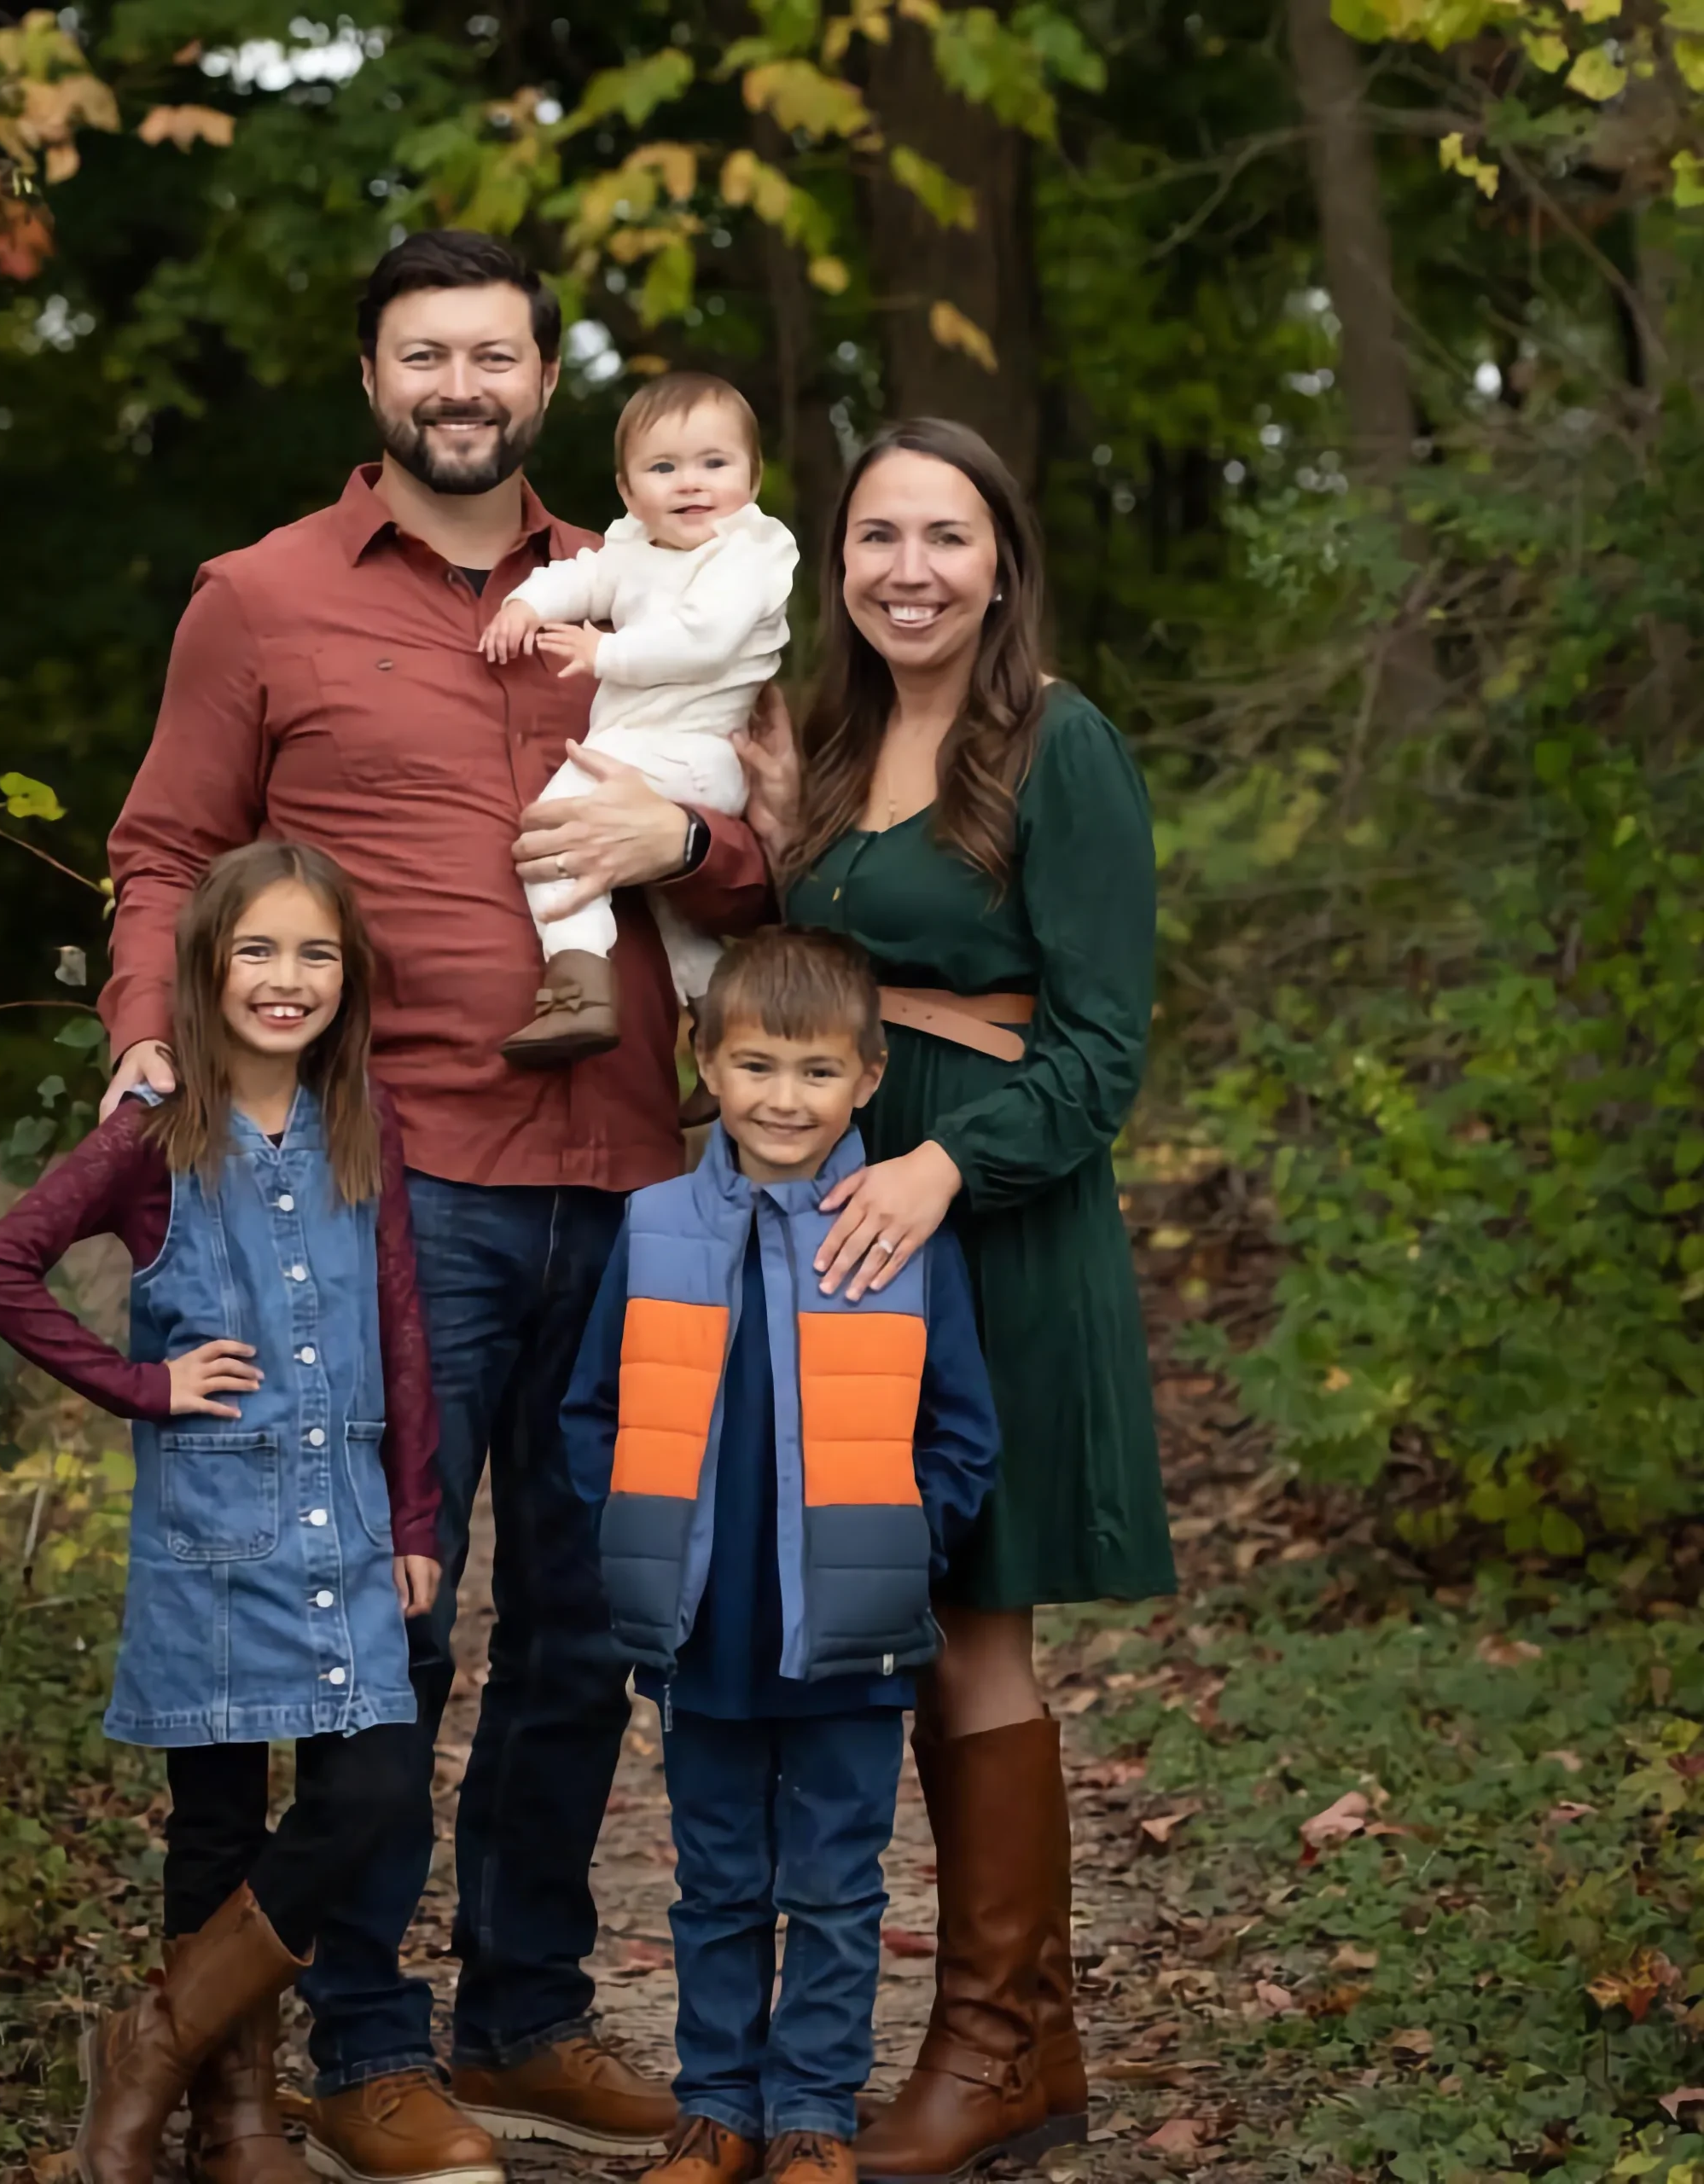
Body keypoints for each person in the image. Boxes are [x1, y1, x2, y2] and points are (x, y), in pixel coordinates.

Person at [97, 229, 772, 2184]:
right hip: (377, 1194)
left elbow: (769, 841)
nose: (458, 384)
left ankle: (525, 2007)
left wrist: (690, 832)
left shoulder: (665, 574)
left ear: (542, 376)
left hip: (641, 1175)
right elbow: (161, 847)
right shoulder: (261, 600)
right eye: (422, 354)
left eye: (492, 352)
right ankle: (361, 2036)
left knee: (585, 1618)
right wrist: (152, 1040)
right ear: (370, 379)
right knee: (383, 1624)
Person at [735, 420, 1177, 2176]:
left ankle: (988, 2039)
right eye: (872, 537)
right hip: (843, 1222)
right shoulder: (831, 744)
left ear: (999, 558)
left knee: (974, 1615)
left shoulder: (1058, 745)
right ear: (833, 563)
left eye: (943, 534)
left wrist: (937, 1168)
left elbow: (1098, 1049)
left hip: (988, 1209)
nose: (905, 566)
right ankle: (1032, 2045)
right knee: (901, 1607)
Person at [0, 843, 444, 2184]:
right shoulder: (150, 1135)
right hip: (214, 1531)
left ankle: (150, 2043)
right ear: (206, 968)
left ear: (349, 979)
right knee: (216, 1823)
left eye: (316, 955)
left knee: (376, 1784)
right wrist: (139, 1383)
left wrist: (416, 1523)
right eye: (259, 952)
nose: (287, 981)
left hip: (345, 1522)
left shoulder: (364, 1122)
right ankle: (235, 2120)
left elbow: (401, 1325)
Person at [562, 930, 999, 2184]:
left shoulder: (901, 1236)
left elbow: (962, 1428)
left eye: (817, 1073)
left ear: (867, 1080)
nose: (784, 1099)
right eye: (756, 1066)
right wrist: (626, 1537)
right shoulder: (651, 1232)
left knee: (838, 1884)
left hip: (851, 1628)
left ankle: (811, 2112)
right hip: (702, 1627)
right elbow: (591, 1410)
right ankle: (718, 2110)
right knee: (714, 1883)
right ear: (707, 1063)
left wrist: (909, 1553)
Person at [480, 372, 798, 1063]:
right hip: (648, 754)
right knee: (673, 913)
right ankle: (722, 1038)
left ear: (753, 475)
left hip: (696, 753)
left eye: (715, 464)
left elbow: (702, 639)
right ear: (628, 491)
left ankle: (577, 983)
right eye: (664, 468)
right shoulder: (634, 552)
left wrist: (605, 652)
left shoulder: (748, 556)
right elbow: (580, 577)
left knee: (559, 827)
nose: (690, 484)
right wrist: (526, 607)